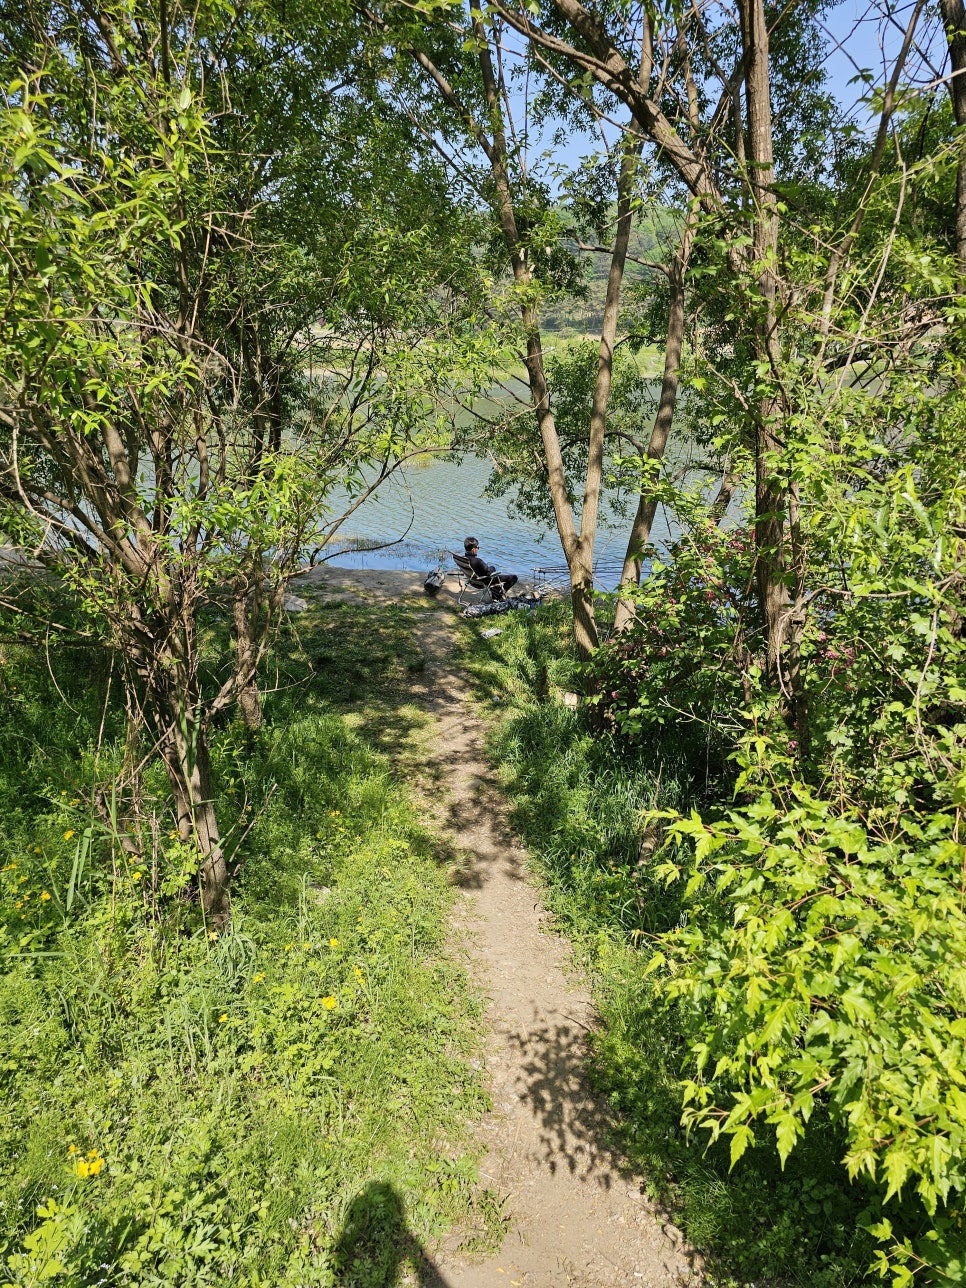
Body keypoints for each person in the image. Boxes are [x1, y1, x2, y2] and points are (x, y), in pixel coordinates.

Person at [463, 536, 518, 601]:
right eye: (478, 547)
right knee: (514, 578)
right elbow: (488, 573)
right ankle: (498, 594)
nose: (478, 548)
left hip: (472, 581)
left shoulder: (463, 559)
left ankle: (495, 590)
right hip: (482, 582)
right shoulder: (477, 561)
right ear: (473, 549)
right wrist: (493, 568)